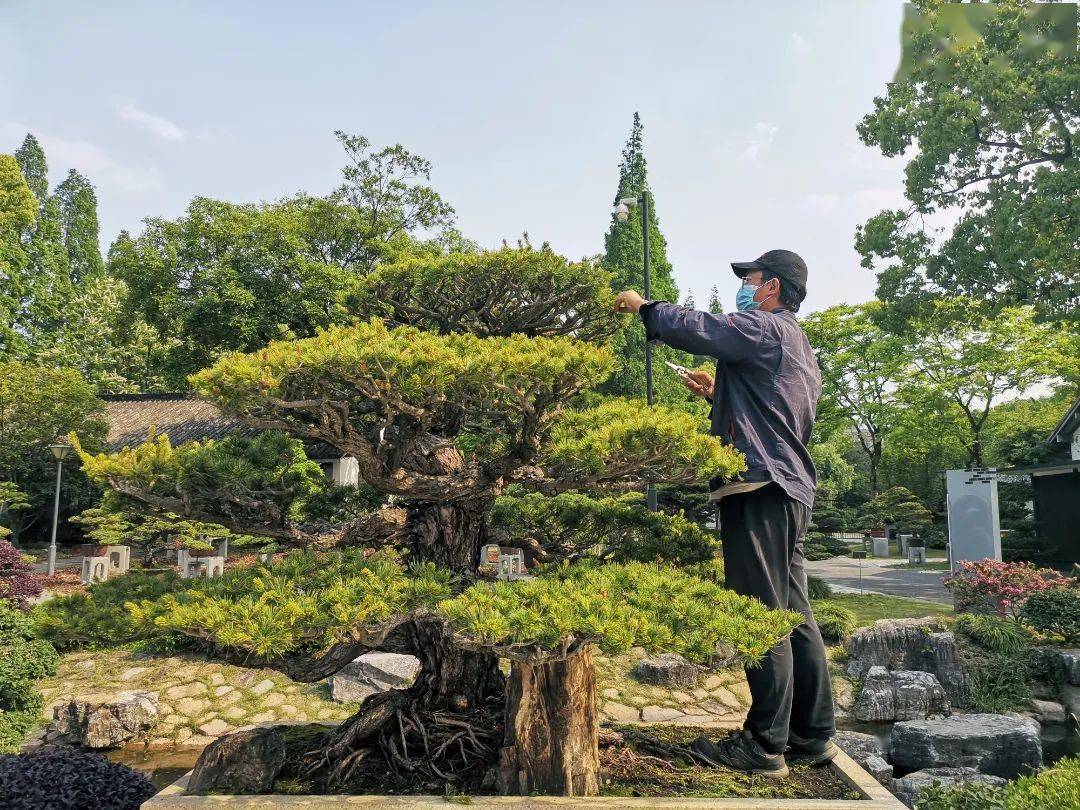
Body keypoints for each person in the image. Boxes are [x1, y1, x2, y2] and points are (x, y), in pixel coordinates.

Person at [613, 249, 835, 779]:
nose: (744, 287)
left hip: (758, 486)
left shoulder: (764, 327)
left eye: (750, 279)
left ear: (772, 288)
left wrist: (647, 308)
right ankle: (811, 735)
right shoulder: (798, 345)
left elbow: (705, 329)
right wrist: (719, 394)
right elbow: (775, 411)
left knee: (760, 615)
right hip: (789, 487)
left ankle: (762, 746)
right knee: (793, 614)